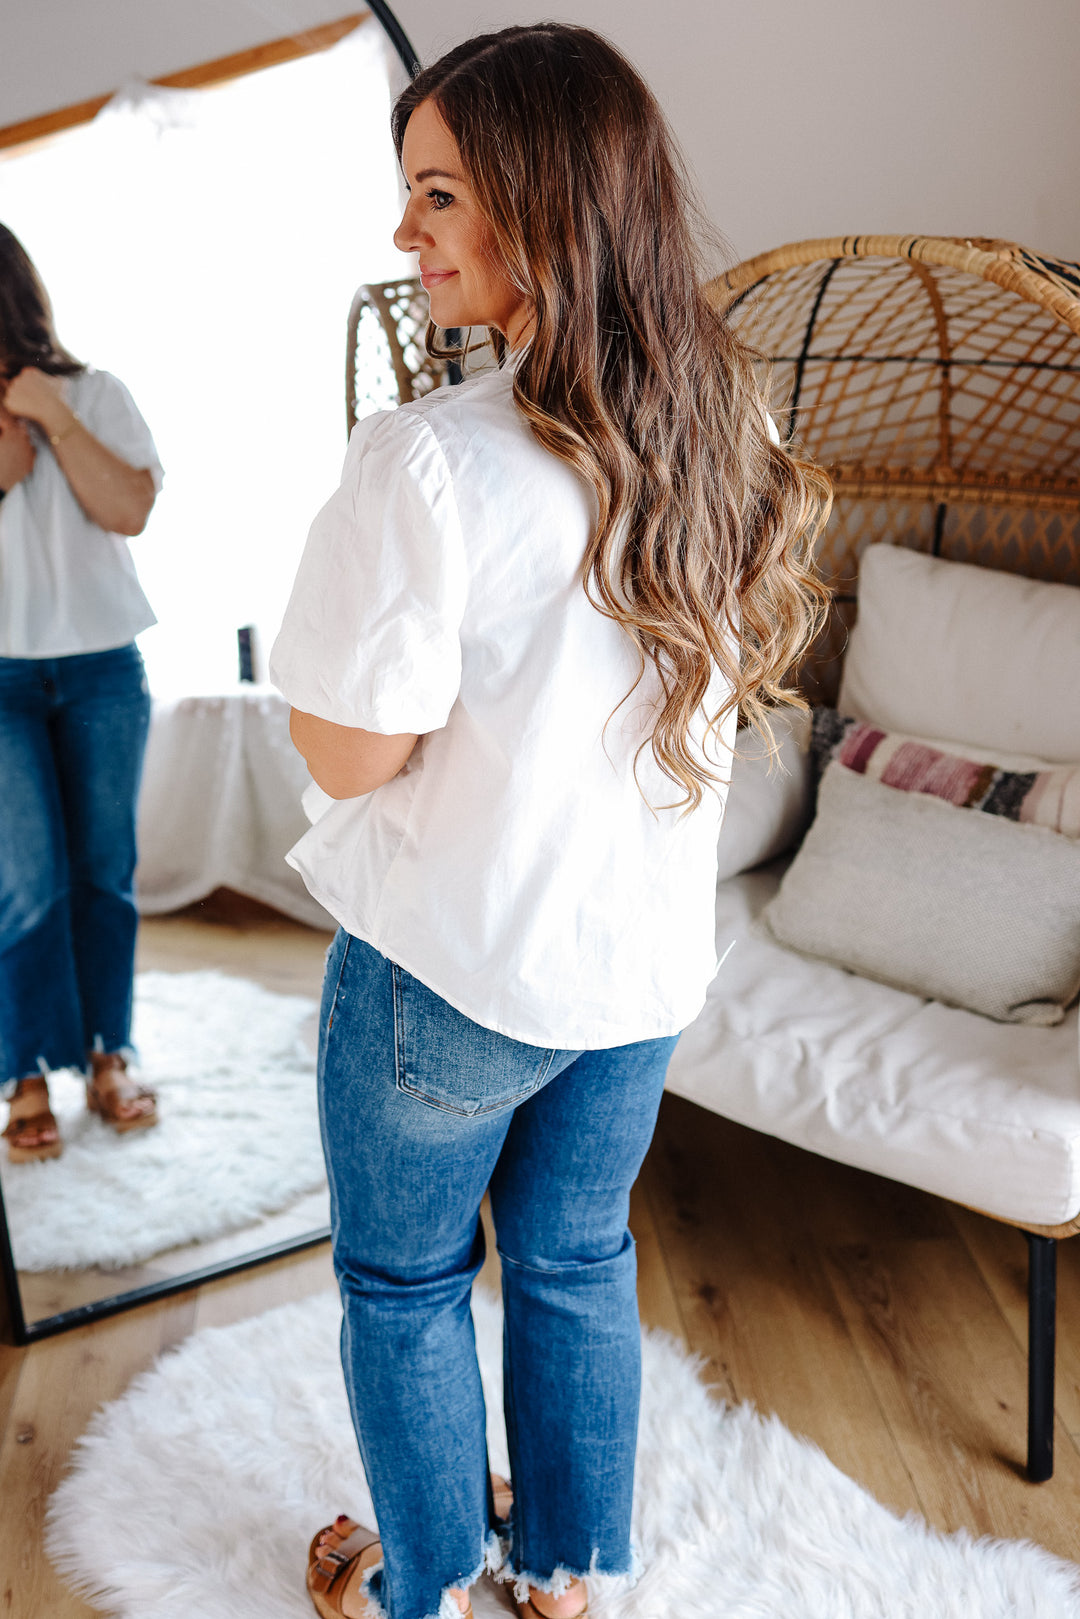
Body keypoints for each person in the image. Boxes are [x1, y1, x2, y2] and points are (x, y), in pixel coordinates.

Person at [271, 23, 830, 1619]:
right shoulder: (734, 427)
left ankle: (434, 1586)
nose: (405, 232)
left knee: (403, 1281)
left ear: (540, 199)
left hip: (451, 967)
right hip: (639, 970)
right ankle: (572, 1578)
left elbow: (353, 757)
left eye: (436, 195)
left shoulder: (428, 464)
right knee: (578, 1261)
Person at [0, 224, 162, 1162]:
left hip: (103, 667)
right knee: (22, 881)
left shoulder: (98, 394)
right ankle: (23, 1071)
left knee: (105, 870)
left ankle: (110, 1052)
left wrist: (55, 422)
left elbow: (130, 509)